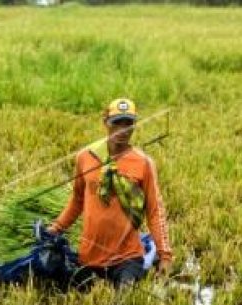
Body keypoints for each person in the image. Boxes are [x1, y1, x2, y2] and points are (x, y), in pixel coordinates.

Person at [47, 98, 173, 289]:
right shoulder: (86, 158)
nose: (123, 130)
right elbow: (77, 201)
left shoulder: (144, 163)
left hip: (127, 257)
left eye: (128, 123)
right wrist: (55, 229)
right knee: (71, 292)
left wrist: (165, 255)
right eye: (117, 123)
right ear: (105, 123)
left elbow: (155, 211)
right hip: (89, 257)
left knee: (125, 299)